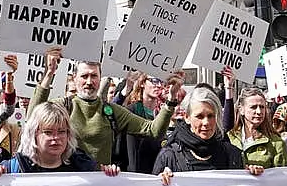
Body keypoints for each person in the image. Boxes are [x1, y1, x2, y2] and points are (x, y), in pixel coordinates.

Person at [28, 47, 181, 165]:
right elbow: (32, 120)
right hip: (69, 185)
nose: (89, 81)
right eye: (84, 76)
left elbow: (154, 131)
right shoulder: (65, 106)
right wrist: (49, 74)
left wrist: (171, 99)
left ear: (100, 78)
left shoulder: (112, 111)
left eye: (94, 76)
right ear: (75, 78)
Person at [154, 87, 263, 186]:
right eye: (199, 116)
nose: (206, 122)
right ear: (187, 117)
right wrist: (160, 182)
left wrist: (251, 175)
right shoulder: (169, 156)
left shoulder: (232, 154)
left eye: (211, 116)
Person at [0, 102, 120, 177]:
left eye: (61, 132)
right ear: (33, 134)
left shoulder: (84, 167)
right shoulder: (12, 168)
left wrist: (108, 173)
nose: (56, 138)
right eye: (48, 132)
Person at [227, 87, 287, 168]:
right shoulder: (229, 138)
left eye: (262, 107)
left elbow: (281, 177)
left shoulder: (276, 143)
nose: (259, 112)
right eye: (253, 107)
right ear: (241, 110)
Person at [123, 74, 165, 173]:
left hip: (158, 172)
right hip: (136, 173)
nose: (158, 85)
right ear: (142, 83)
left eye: (161, 81)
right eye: (154, 81)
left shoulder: (162, 113)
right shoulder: (131, 111)